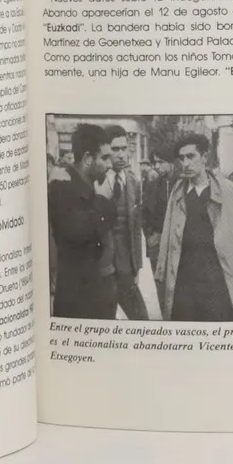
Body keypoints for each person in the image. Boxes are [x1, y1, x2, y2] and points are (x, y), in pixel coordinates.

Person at [157, 132, 233, 323]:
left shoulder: (229, 191)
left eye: (191, 156)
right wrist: (162, 272)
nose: (185, 163)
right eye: (182, 158)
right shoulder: (178, 192)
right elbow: (167, 235)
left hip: (218, 277)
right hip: (185, 278)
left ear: (204, 157)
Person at [49, 123, 122, 320]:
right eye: (104, 158)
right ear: (88, 158)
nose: (109, 164)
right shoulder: (62, 188)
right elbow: (80, 232)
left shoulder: (88, 188)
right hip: (79, 303)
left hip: (96, 295)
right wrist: (103, 201)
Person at [103, 129, 150, 320]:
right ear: (106, 150)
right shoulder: (96, 180)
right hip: (102, 267)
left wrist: (137, 267)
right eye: (115, 149)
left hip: (125, 266)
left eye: (124, 148)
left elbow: (136, 229)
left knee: (141, 318)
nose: (121, 154)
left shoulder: (133, 181)